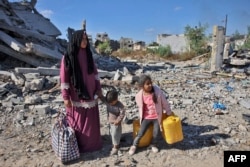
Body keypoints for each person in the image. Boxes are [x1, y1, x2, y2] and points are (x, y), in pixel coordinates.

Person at [60, 29, 103, 153]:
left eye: (86, 39)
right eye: (82, 39)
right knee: (78, 120)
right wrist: (66, 96)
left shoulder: (89, 55)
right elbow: (64, 77)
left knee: (91, 120)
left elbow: (95, 74)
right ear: (76, 40)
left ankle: (93, 144)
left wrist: (98, 89)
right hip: (76, 94)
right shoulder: (68, 56)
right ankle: (79, 145)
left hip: (91, 92)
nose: (85, 41)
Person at [128, 74, 172, 155]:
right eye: (147, 84)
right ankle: (134, 145)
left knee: (156, 132)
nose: (150, 85)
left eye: (150, 83)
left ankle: (153, 144)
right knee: (141, 132)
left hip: (156, 117)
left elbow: (164, 103)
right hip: (146, 117)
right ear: (142, 86)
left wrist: (169, 112)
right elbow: (140, 108)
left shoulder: (157, 92)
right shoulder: (139, 96)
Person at [104, 90, 126, 155]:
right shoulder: (108, 102)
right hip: (110, 122)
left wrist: (118, 120)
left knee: (115, 134)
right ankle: (115, 142)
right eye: (109, 103)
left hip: (116, 123)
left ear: (116, 99)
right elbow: (102, 99)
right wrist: (99, 95)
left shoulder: (120, 105)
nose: (110, 104)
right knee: (112, 133)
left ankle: (115, 147)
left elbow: (122, 114)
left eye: (112, 102)